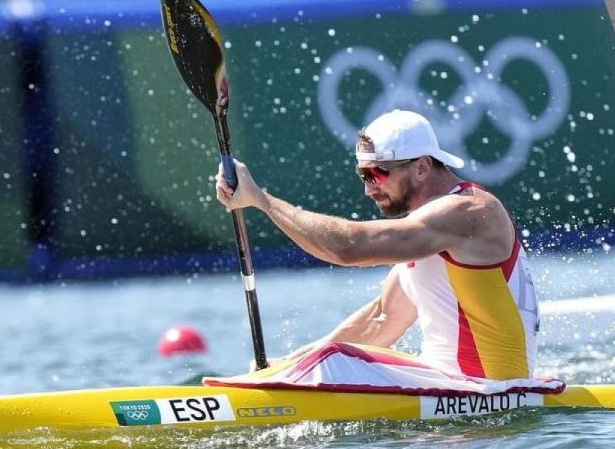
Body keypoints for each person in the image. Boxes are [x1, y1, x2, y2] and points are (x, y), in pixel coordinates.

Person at [215, 109, 539, 381]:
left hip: (489, 390)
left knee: (334, 363)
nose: (369, 189)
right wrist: (285, 367)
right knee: (328, 358)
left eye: (377, 174)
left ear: (423, 167)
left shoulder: (469, 211)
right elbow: (382, 319)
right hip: (447, 385)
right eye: (363, 175)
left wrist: (262, 201)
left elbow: (349, 247)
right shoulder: (428, 231)